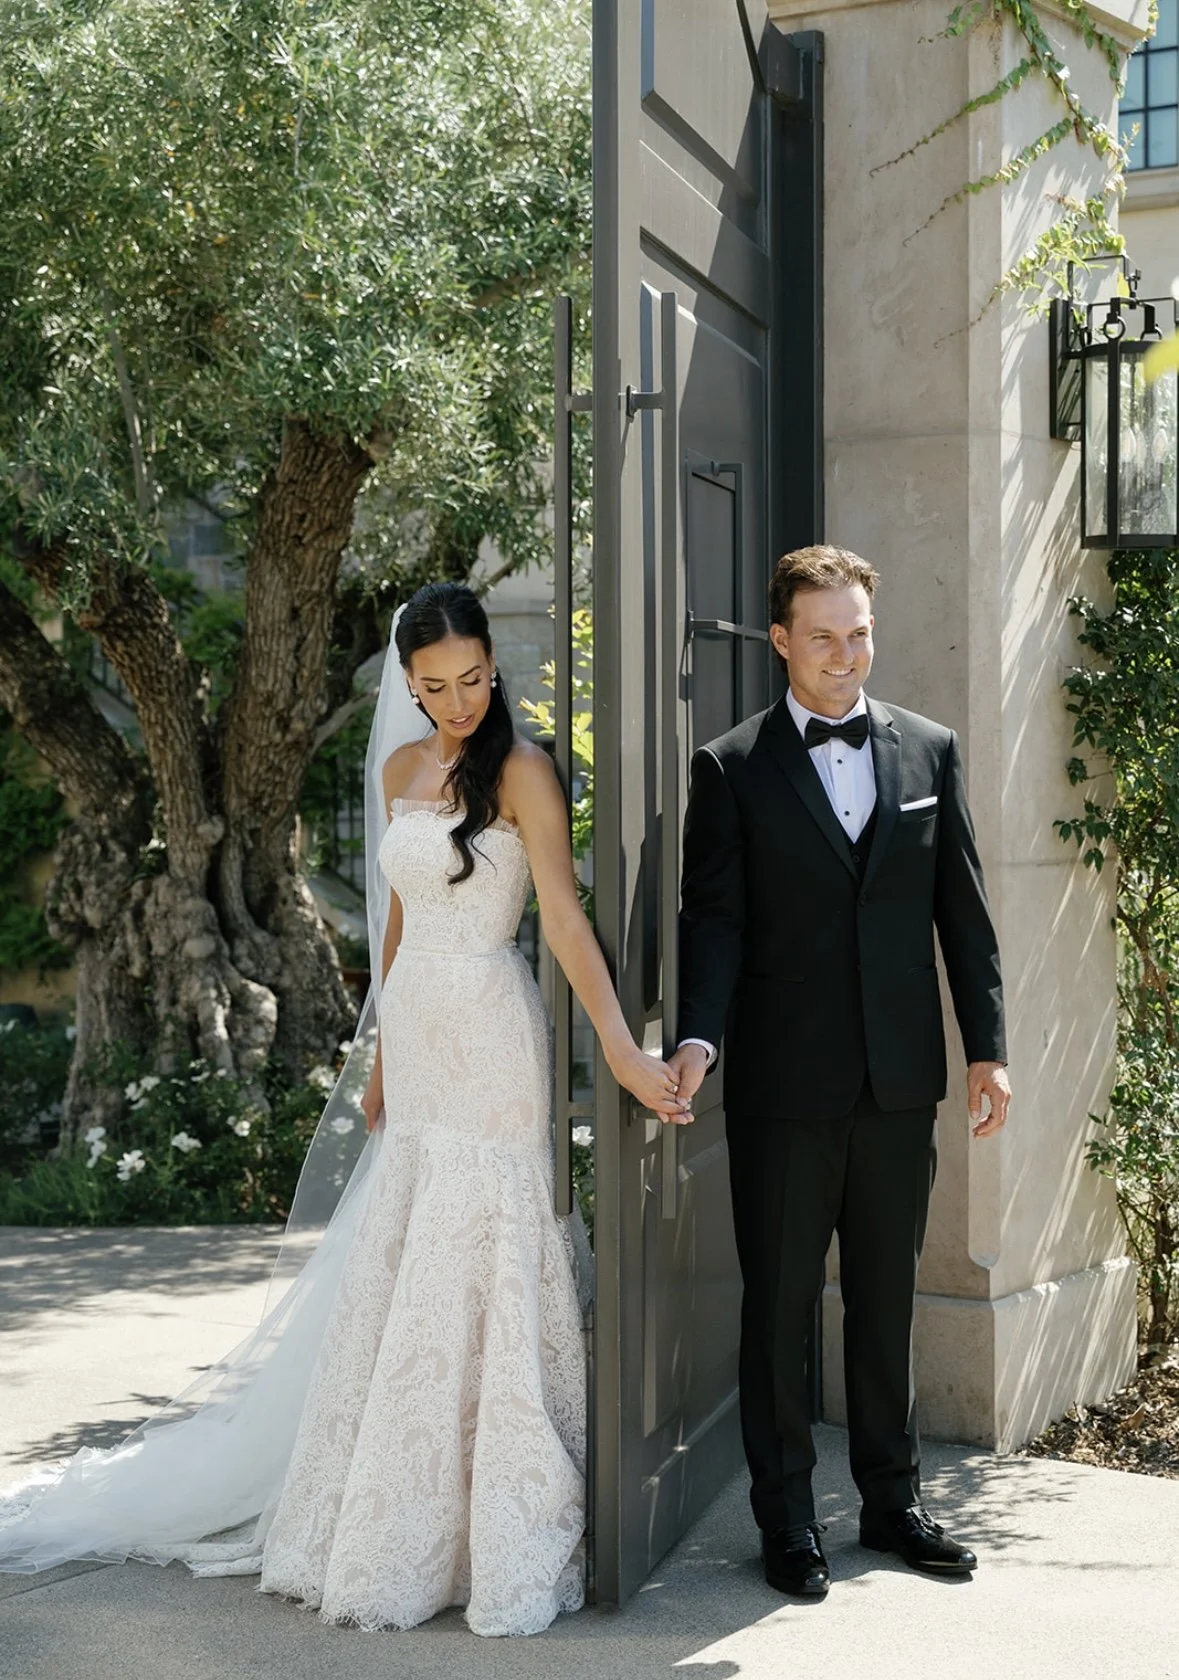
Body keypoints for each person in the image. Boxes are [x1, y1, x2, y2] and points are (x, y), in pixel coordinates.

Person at [0, 581, 687, 1637]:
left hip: (492, 1033)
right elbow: (402, 922)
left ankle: (481, 1521)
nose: (455, 703)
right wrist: (377, 1056)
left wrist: (619, 1049)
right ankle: (390, 1500)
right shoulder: (401, 769)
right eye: (431, 687)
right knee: (407, 1250)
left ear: (491, 669)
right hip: (417, 1036)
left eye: (469, 680)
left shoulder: (524, 772)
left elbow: (560, 919)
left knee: (486, 1240)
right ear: (407, 688)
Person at [668, 545, 1010, 1599]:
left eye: (859, 632)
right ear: (781, 640)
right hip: (782, 1088)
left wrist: (988, 1047)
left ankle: (893, 1502)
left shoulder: (932, 751)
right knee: (776, 1308)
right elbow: (712, 925)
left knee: (884, 1300)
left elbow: (965, 911)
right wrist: (697, 1038)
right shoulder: (730, 767)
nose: (846, 654)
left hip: (902, 1083)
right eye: (824, 636)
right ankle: (785, 1521)